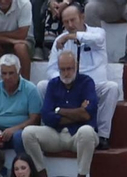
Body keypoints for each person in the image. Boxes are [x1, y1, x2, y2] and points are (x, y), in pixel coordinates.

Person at [23, 48, 98, 177]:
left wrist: (59, 110)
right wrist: (77, 112)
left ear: (76, 67)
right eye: (62, 69)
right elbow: (46, 116)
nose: (66, 73)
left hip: (78, 136)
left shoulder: (86, 82)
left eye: (69, 69)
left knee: (87, 131)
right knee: (27, 133)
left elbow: (88, 114)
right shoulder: (53, 84)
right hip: (56, 134)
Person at [47, 5, 119, 146]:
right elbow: (51, 70)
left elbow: (96, 40)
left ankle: (103, 136)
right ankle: (51, 126)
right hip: (68, 86)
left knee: (112, 88)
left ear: (82, 17)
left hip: (94, 86)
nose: (70, 25)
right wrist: (66, 82)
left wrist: (70, 36)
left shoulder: (98, 33)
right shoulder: (60, 40)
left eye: (73, 20)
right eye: (66, 22)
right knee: (43, 86)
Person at [0, 54, 42, 158]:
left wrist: (15, 129)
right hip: (0, 132)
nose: (7, 77)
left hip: (20, 132)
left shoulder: (30, 89)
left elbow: (35, 118)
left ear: (19, 72)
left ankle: (23, 168)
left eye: (11, 73)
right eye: (4, 73)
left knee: (19, 136)